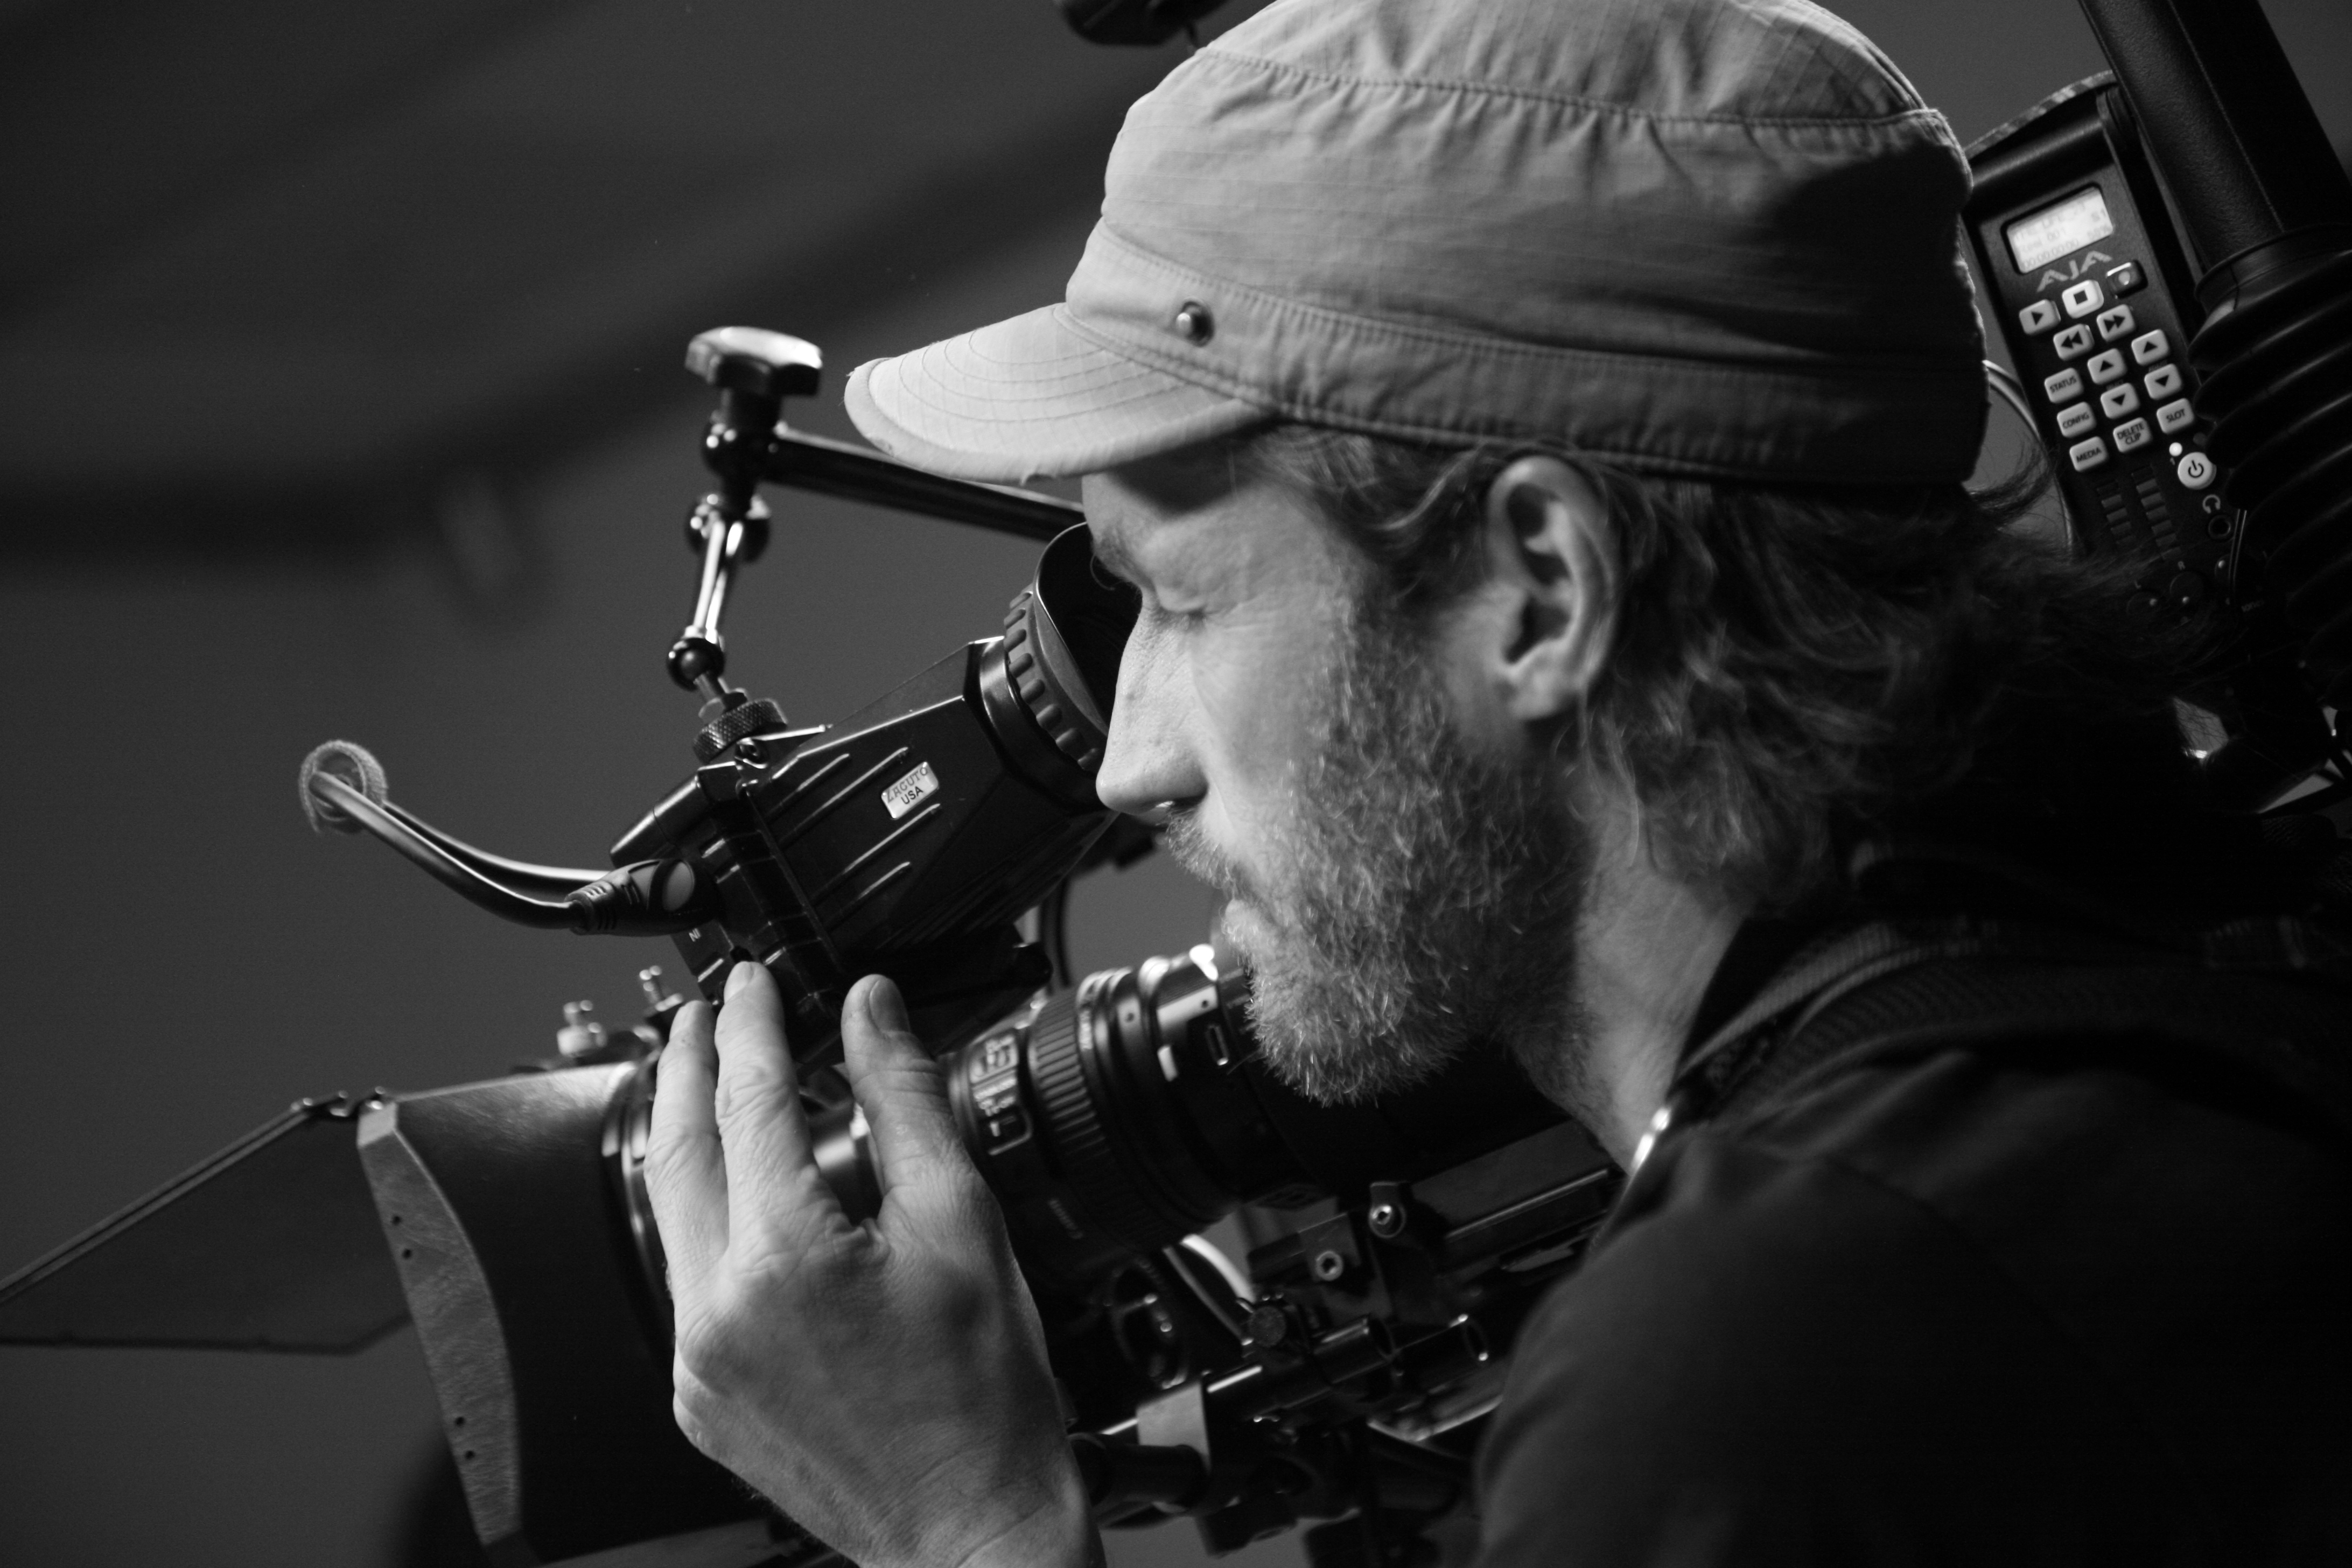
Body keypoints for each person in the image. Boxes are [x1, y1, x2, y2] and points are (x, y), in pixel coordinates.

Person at [643, 1, 2352, 1564]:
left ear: (1540, 588)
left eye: (1182, 599)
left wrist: (962, 1524)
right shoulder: (2153, 1061)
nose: (1131, 759)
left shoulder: (1772, 1361)